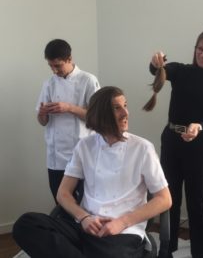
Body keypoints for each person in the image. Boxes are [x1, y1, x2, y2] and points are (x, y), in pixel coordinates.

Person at [13, 86, 172, 258]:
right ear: (101, 114)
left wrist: (122, 222)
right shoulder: (85, 146)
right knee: (26, 224)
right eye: (117, 108)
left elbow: (164, 199)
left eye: (125, 105)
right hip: (85, 226)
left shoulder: (142, 148)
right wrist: (84, 218)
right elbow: (63, 193)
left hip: (122, 232)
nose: (125, 113)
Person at [146, 28, 203, 258]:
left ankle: (200, 253)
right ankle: (167, 249)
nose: (202, 54)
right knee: (169, 198)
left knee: (196, 203)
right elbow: (159, 70)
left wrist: (198, 127)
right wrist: (156, 62)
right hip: (171, 141)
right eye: (199, 48)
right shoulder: (181, 70)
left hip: (198, 146)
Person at [36, 39, 100, 203]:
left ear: (69, 59)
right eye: (51, 66)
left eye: (58, 66)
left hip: (81, 154)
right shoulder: (49, 84)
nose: (54, 70)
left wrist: (69, 108)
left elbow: (97, 117)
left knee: (84, 205)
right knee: (61, 203)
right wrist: (43, 113)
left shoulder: (88, 80)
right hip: (55, 158)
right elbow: (42, 121)